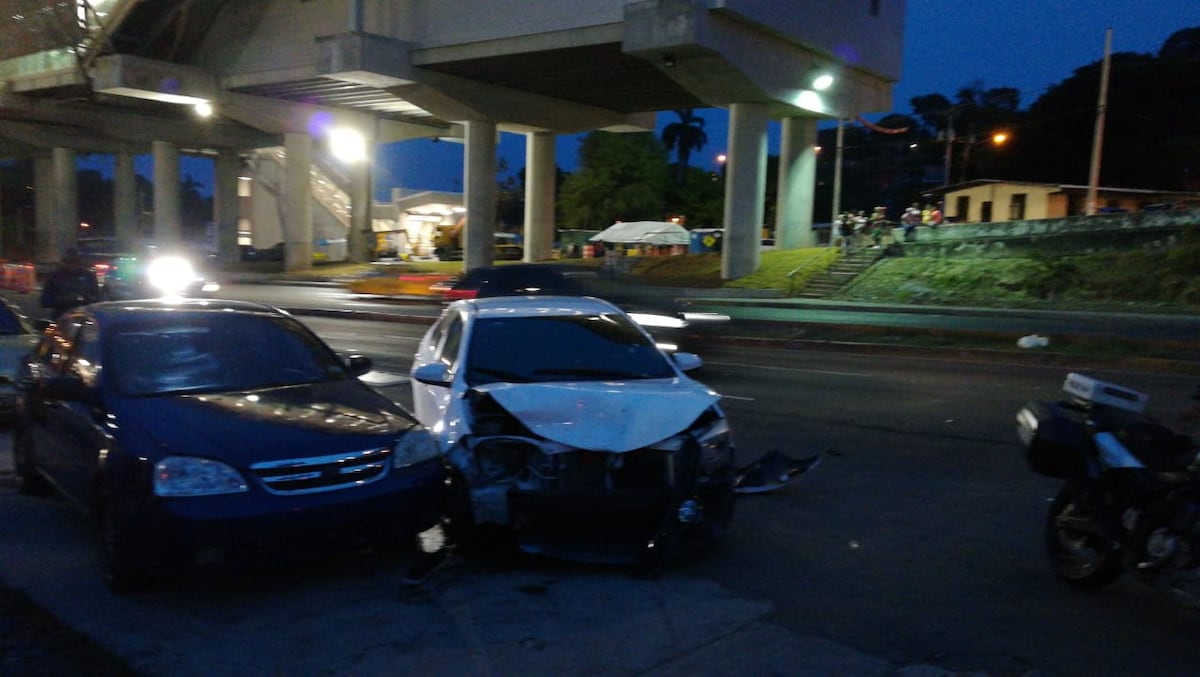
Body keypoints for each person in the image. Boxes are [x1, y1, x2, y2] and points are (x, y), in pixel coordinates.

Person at [40, 248, 101, 319]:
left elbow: (97, 298)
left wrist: (85, 299)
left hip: (84, 315)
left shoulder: (88, 276)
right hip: (62, 314)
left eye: (76, 263)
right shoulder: (55, 277)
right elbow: (44, 301)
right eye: (70, 263)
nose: (73, 266)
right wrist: (62, 300)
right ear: (64, 263)